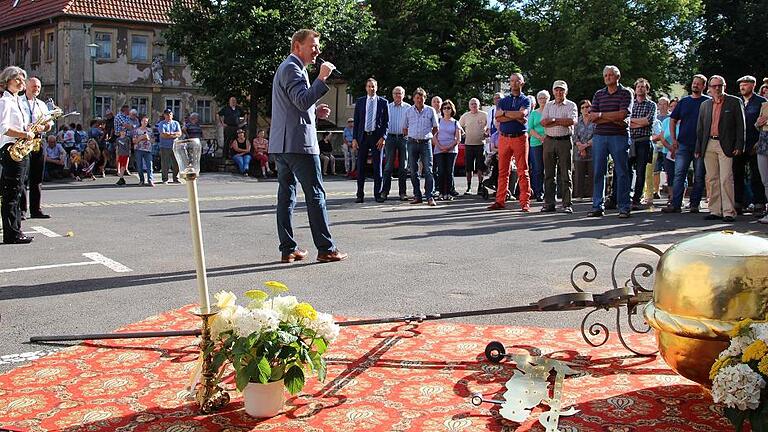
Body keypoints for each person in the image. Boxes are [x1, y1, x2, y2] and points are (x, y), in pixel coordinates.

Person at [269, 28, 347, 263]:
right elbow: (302, 100)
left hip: (283, 145)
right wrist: (322, 78)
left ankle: (288, 249)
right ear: (297, 46)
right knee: (315, 195)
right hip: (299, 145)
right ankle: (326, 249)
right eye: (313, 45)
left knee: (286, 195)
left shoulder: (289, 67)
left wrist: (316, 111)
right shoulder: (293, 68)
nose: (318, 50)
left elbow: (297, 104)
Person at [695, 75, 745, 223]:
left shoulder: (734, 102)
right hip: (709, 144)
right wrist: (698, 147)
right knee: (711, 179)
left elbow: (741, 126)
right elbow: (700, 128)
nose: (717, 88)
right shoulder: (705, 105)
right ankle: (715, 210)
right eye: (714, 86)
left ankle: (729, 212)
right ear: (709, 88)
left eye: (720, 85)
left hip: (727, 145)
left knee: (726, 178)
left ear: (724, 86)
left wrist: (739, 145)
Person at [0, 66, 40, 244]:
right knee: (11, 193)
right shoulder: (5, 102)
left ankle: (16, 229)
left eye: (23, 80)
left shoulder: (18, 101)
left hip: (21, 148)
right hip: (10, 149)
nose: (21, 82)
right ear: (8, 80)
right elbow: (3, 129)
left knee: (18, 191)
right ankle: (11, 233)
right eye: (18, 79)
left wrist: (30, 129)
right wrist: (25, 135)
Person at [587, 65, 633, 218]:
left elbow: (622, 115)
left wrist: (602, 116)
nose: (607, 78)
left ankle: (624, 206)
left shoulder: (626, 93)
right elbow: (592, 116)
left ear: (617, 77)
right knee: (599, 172)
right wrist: (610, 117)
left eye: (610, 75)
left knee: (622, 172)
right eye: (605, 75)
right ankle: (597, 206)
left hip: (618, 137)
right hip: (600, 137)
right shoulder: (599, 94)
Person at [662, 74, 710, 214]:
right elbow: (672, 120)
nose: (695, 85)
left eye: (698, 83)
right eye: (694, 83)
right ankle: (676, 204)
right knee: (679, 174)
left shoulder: (708, 102)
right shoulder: (684, 102)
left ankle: (694, 204)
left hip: (701, 144)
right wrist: (674, 139)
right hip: (683, 144)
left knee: (699, 175)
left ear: (704, 86)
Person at [488, 72, 531, 212]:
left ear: (522, 83)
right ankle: (500, 200)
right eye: (511, 81)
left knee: (522, 171)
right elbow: (498, 117)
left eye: (517, 81)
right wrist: (514, 116)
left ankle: (525, 202)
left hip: (519, 137)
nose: (514, 83)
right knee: (502, 171)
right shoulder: (503, 100)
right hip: (504, 137)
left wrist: (506, 114)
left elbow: (522, 115)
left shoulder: (526, 100)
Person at [541, 80, 578, 213]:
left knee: (565, 173)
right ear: (553, 91)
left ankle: (567, 203)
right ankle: (549, 203)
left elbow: (571, 121)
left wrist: (554, 120)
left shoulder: (571, 105)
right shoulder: (548, 105)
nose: (558, 92)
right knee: (549, 174)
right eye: (556, 90)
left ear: (566, 91)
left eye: (561, 90)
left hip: (564, 141)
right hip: (549, 140)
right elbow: (543, 122)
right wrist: (558, 122)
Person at [19, 76, 52, 219]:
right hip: (24, 141)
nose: (36, 89)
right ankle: (21, 210)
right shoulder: (19, 102)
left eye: (38, 87)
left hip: (39, 140)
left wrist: (43, 126)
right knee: (23, 177)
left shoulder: (41, 105)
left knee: (37, 177)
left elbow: (49, 124)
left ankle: (36, 209)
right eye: (34, 86)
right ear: (26, 86)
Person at [352, 77, 389, 203]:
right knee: (360, 166)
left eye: (373, 86)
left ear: (376, 87)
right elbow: (356, 122)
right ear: (366, 88)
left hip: (376, 137)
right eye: (369, 86)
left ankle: (377, 194)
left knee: (377, 166)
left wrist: (383, 137)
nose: (371, 88)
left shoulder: (383, 102)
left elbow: (386, 123)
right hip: (362, 137)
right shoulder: (360, 101)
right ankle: (359, 194)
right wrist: (354, 139)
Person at [735, 75, 767, 215]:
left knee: (757, 175)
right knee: (737, 174)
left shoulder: (761, 102)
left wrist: (758, 142)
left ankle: (760, 203)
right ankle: (738, 202)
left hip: (755, 143)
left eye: (746, 84)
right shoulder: (737, 101)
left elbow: (763, 125)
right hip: (739, 144)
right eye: (741, 84)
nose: (742, 87)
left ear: (753, 85)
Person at [403, 87, 439, 206]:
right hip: (412, 142)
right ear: (414, 99)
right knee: (413, 171)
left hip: (425, 143)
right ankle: (417, 196)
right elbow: (404, 128)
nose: (419, 100)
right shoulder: (408, 111)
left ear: (425, 98)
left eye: (422, 98)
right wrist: (410, 137)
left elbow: (435, 127)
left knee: (428, 170)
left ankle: (429, 196)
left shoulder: (430, 110)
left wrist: (428, 136)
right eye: (417, 98)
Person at [626, 78, 657, 210]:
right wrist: (637, 122)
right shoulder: (630, 104)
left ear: (647, 89)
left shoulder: (651, 105)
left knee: (640, 171)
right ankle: (625, 195)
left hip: (644, 141)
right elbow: (625, 121)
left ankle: (636, 199)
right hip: (630, 141)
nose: (640, 89)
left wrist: (632, 122)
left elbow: (647, 121)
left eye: (643, 87)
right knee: (626, 170)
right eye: (638, 87)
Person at [383, 86, 410, 200]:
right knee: (388, 166)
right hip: (390, 137)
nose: (398, 95)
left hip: (404, 138)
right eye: (395, 93)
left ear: (403, 95)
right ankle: (384, 192)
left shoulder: (408, 108)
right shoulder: (387, 107)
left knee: (403, 167)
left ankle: (402, 193)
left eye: (400, 93)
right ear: (392, 95)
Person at [434, 99, 462, 200]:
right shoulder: (438, 121)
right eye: (444, 108)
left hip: (452, 150)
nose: (446, 110)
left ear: (452, 109)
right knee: (440, 171)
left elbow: (458, 139)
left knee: (449, 172)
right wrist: (441, 147)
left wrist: (449, 147)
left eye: (448, 108)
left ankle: (449, 193)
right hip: (439, 149)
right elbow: (433, 137)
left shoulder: (455, 122)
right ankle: (441, 192)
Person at [459, 98, 488, 196]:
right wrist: (462, 134)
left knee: (480, 167)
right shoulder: (465, 116)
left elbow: (489, 126)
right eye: (472, 104)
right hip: (468, 144)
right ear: (469, 106)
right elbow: (459, 126)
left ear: (479, 105)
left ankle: (480, 186)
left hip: (480, 144)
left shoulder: (484, 115)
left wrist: (487, 132)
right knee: (469, 167)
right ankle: (469, 187)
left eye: (475, 104)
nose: (474, 106)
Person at [527, 91, 548, 202]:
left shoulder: (551, 111)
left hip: (549, 141)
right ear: (537, 100)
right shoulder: (534, 113)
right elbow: (529, 129)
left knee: (549, 168)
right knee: (538, 169)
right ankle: (538, 192)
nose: (543, 100)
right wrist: (540, 137)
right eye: (540, 98)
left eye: (545, 98)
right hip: (536, 143)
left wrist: (546, 137)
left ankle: (549, 192)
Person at [573, 99, 595, 199]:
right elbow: (574, 136)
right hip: (579, 151)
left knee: (593, 174)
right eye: (583, 107)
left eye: (587, 107)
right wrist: (580, 147)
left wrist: (585, 145)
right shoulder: (577, 121)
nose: (585, 109)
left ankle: (593, 195)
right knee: (579, 174)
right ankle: (579, 195)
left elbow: (597, 135)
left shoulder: (595, 121)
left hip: (593, 150)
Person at [157, 108, 182, 183]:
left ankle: (176, 178)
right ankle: (165, 179)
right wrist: (174, 134)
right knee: (165, 163)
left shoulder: (176, 123)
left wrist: (169, 134)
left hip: (175, 146)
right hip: (165, 146)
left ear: (172, 115)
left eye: (170, 114)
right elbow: (163, 135)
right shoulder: (162, 123)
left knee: (176, 163)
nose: (169, 116)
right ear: (164, 115)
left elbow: (179, 133)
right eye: (167, 114)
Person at [133, 115, 155, 186]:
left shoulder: (150, 130)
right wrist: (141, 138)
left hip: (148, 149)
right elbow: (134, 141)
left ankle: (150, 180)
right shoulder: (137, 130)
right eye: (144, 121)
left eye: (146, 121)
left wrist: (148, 138)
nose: (145, 123)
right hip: (139, 149)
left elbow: (153, 140)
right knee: (139, 165)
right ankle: (141, 180)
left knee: (149, 165)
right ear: (141, 121)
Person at [756, 98, 768, 223]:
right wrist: (759, 123)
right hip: (763, 144)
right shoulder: (764, 105)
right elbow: (758, 125)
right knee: (765, 181)